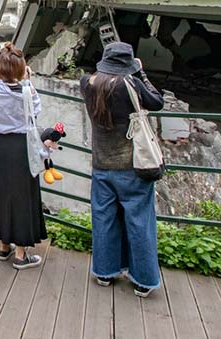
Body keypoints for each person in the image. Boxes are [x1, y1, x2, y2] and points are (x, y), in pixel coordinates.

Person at [82, 41, 165, 297]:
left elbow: (98, 79)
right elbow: (157, 101)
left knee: (104, 219)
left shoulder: (87, 83)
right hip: (132, 166)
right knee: (139, 222)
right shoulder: (131, 84)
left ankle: (105, 272)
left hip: (101, 164)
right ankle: (143, 280)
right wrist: (140, 72)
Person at [0, 42, 47, 269]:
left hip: (0, 145)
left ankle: (3, 246)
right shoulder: (27, 92)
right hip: (21, 147)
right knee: (22, 196)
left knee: (1, 193)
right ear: (21, 69)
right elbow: (35, 111)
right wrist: (27, 80)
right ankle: (21, 254)